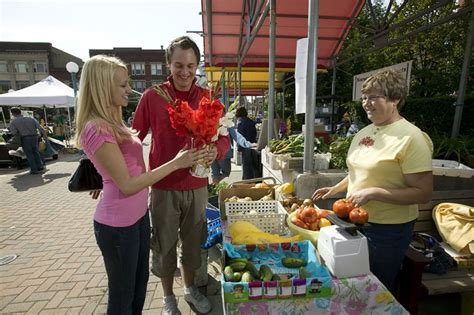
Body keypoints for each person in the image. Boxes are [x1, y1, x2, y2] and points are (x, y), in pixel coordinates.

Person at [73, 55, 207, 314]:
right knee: (123, 295)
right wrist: (176, 163)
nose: (128, 90)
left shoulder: (112, 121)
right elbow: (127, 184)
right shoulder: (96, 127)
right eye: (122, 85)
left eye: (127, 83)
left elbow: (116, 162)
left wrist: (104, 173)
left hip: (136, 218)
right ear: (102, 87)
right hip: (117, 225)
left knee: (137, 288)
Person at [312, 69, 433, 294]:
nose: (367, 103)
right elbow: (361, 172)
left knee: (377, 286)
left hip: (388, 229)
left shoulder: (411, 137)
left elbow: (423, 193)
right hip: (353, 221)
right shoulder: (365, 132)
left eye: (374, 97)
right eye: (365, 98)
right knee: (352, 282)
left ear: (395, 99)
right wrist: (335, 188)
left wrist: (374, 192)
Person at [133, 36, 230, 315]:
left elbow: (223, 137)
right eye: (178, 65)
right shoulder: (153, 97)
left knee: (193, 244)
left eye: (190, 65)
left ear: (197, 65)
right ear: (168, 64)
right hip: (164, 186)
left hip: (198, 185)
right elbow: (133, 139)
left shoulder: (207, 97)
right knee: (164, 245)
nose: (185, 72)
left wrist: (217, 152)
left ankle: (189, 290)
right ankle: (168, 298)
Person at [8, 107, 47, 174]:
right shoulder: (31, 118)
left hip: (25, 138)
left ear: (13, 114)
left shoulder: (14, 122)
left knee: (29, 154)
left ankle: (34, 169)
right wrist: (45, 136)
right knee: (36, 152)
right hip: (35, 137)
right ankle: (40, 166)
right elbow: (40, 128)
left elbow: (14, 132)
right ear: (20, 112)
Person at [235, 107, 260, 179]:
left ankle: (246, 182)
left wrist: (239, 148)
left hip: (245, 146)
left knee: (246, 166)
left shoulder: (240, 122)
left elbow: (240, 137)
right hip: (252, 144)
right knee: (253, 165)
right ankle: (255, 180)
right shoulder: (251, 121)